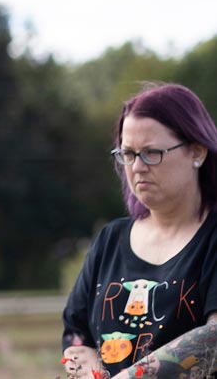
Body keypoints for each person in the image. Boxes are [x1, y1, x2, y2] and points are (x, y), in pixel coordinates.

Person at [62, 83, 217, 378]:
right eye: (128, 154)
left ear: (197, 152)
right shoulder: (110, 240)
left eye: (151, 153)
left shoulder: (212, 238)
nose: (137, 167)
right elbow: (75, 336)